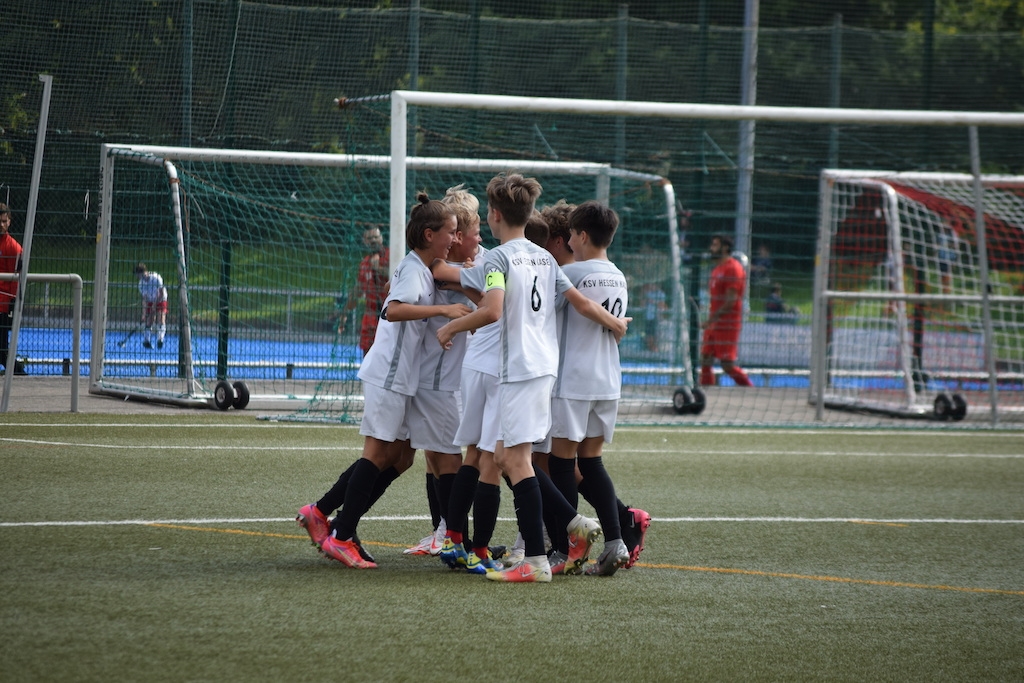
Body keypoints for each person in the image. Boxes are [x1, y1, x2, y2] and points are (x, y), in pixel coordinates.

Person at [435, 172, 629, 583]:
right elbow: (579, 302)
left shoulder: (497, 259)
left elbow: (492, 310)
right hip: (545, 370)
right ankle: (566, 530)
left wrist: (452, 326)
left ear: (494, 214)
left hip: (517, 370)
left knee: (513, 460)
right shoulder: (545, 258)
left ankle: (538, 559)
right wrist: (615, 322)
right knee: (506, 456)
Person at [296, 193, 469, 569]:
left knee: (402, 458)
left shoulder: (425, 267)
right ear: (429, 235)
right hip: (389, 374)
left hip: (403, 377)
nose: (454, 240)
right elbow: (392, 310)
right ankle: (339, 533)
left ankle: (327, 514)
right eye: (450, 233)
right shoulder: (413, 269)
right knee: (376, 455)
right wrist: (444, 308)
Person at [547, 200, 632, 576]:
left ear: (581, 235)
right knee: (592, 461)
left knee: (561, 462)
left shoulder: (569, 272)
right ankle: (616, 541)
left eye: (570, 235)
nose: (568, 242)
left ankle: (566, 549)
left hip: (572, 380)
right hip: (607, 379)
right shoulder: (618, 275)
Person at [700, 233, 753, 387]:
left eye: (715, 245)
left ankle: (749, 388)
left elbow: (731, 301)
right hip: (714, 323)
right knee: (705, 358)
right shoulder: (717, 269)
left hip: (727, 324)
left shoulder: (733, 268)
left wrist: (711, 319)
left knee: (727, 365)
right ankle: (706, 391)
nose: (711, 248)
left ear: (725, 248)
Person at [339, 226, 390, 356]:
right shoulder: (364, 263)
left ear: (381, 238)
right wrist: (344, 313)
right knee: (367, 355)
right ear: (364, 241)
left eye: (376, 237)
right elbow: (358, 290)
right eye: (370, 238)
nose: (373, 240)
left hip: (390, 313)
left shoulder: (392, 255)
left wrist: (379, 269)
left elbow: (399, 277)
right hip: (371, 315)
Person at [0, 203, 26, 375]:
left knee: (2, 350)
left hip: (3, 306)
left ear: (9, 222)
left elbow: (17, 279)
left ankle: (20, 373)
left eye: (4, 221)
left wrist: (12, 301)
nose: (1, 225)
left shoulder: (14, 248)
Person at [134, 263, 168, 350]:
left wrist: (155, 305)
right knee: (149, 320)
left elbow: (161, 293)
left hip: (161, 299)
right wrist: (144, 313)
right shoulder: (141, 284)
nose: (139, 277)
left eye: (139, 275)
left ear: (144, 272)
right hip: (150, 300)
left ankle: (160, 339)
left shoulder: (156, 278)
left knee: (161, 318)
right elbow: (145, 299)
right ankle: (146, 340)